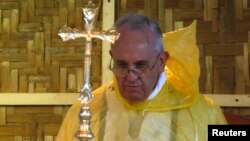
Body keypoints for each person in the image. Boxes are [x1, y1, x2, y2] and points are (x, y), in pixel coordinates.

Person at [56, 13, 227, 141]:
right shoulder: (86, 110)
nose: (130, 78)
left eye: (141, 65)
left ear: (161, 61)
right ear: (112, 57)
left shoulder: (205, 114)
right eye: (121, 65)